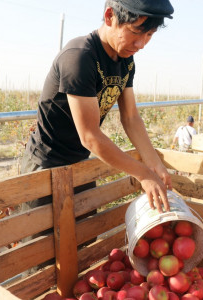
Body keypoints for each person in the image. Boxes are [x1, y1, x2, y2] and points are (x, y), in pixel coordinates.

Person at [20, 0, 174, 213]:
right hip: (47, 162)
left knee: (85, 236)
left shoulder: (126, 61)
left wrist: (153, 162)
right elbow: (90, 136)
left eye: (149, 35)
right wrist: (143, 174)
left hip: (81, 161)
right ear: (110, 16)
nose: (141, 44)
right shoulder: (80, 57)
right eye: (136, 32)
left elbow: (130, 117)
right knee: (43, 242)